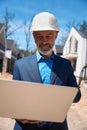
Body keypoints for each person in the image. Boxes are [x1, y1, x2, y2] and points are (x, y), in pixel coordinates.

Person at [13, 12, 81, 130]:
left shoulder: (66, 65)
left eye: (49, 36)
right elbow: (12, 101)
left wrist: (59, 95)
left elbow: (77, 96)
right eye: (39, 36)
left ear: (56, 35)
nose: (44, 41)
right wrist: (17, 116)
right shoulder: (20, 65)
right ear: (33, 36)